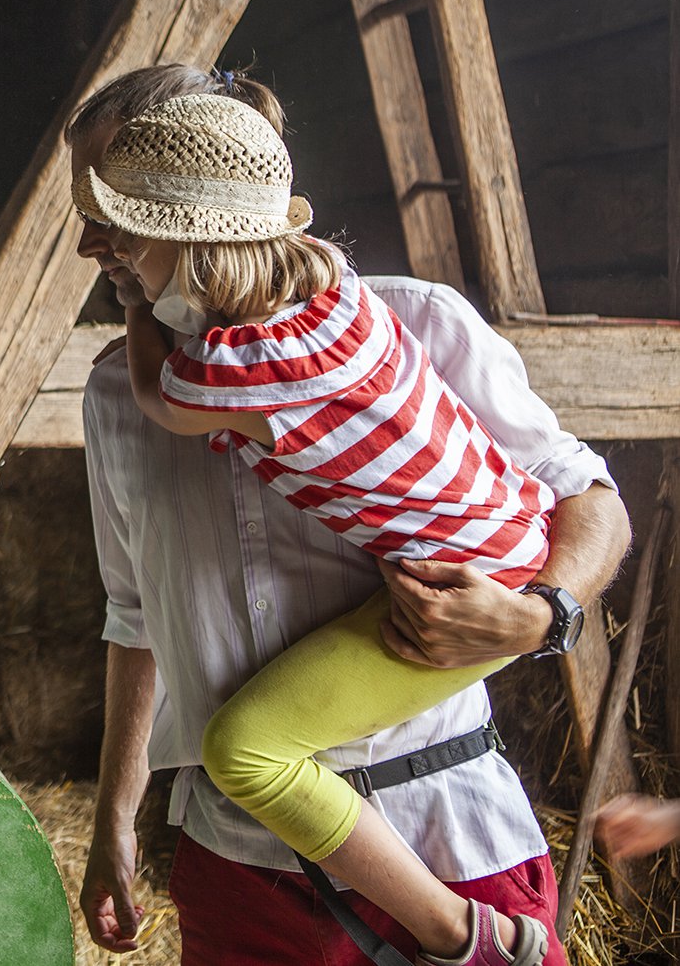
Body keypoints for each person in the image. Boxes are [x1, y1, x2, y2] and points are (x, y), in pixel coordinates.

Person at [70, 65, 631, 965]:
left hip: (444, 832)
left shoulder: (414, 317)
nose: (88, 240)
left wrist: (543, 613)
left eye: (111, 204)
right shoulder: (112, 395)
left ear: (198, 194)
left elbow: (589, 499)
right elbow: (134, 617)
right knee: (245, 751)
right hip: (237, 865)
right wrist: (114, 821)